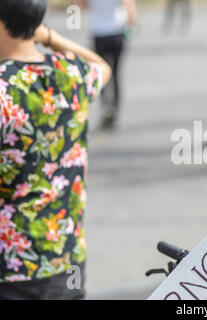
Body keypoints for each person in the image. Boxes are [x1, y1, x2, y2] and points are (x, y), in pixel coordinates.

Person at [0, 0, 111, 299]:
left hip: (12, 267)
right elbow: (102, 66)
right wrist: (49, 37)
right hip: (67, 259)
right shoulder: (71, 74)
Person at [80, 0, 137, 130]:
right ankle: (114, 108)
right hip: (117, 30)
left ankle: (106, 106)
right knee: (116, 73)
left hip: (99, 32)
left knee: (101, 73)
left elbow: (83, 5)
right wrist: (133, 23)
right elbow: (129, 5)